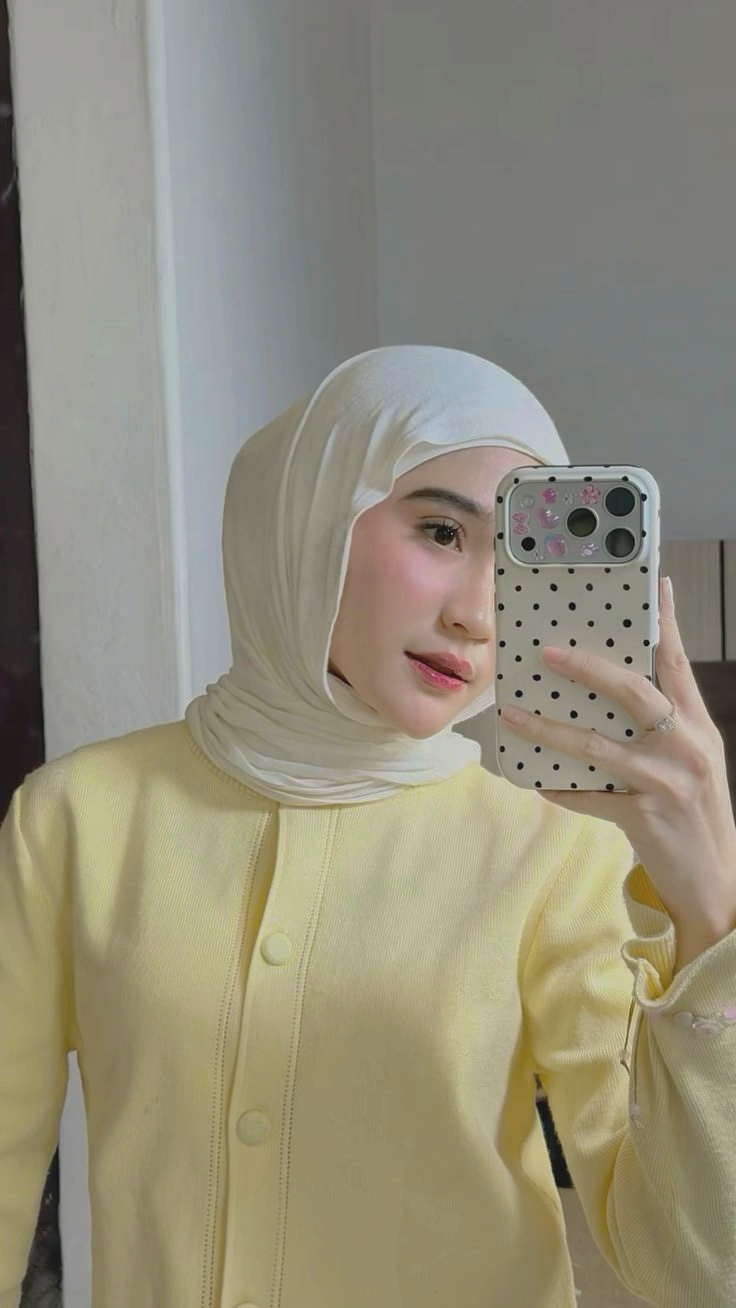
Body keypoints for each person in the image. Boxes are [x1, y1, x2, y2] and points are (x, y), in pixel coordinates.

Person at [1, 345, 735, 1308]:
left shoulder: (556, 849)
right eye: (441, 531)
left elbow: (697, 1268)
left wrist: (712, 919)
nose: (479, 615)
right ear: (307, 513)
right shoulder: (77, 818)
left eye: (518, 561)